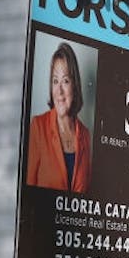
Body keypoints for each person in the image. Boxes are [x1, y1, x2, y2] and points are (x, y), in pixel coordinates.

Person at [26, 42, 91, 192]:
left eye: (66, 81)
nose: (59, 91)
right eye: (55, 81)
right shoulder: (38, 126)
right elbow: (27, 195)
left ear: (75, 86)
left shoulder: (86, 136)